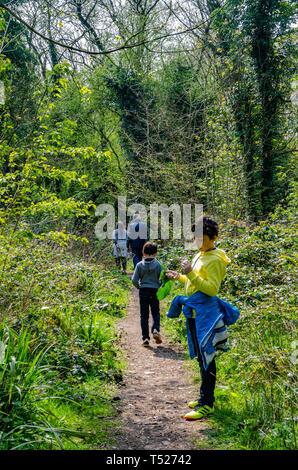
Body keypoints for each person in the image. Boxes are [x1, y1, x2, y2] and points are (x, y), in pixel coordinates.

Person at [166, 215, 239, 420]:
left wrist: (189, 273)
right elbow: (195, 283)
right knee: (200, 356)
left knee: (207, 358)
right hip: (195, 314)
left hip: (205, 316)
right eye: (195, 238)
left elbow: (211, 289)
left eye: (201, 238)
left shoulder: (214, 259)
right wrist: (179, 276)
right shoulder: (201, 254)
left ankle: (207, 403)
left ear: (213, 237)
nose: (197, 242)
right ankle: (203, 397)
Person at [131, 241, 163, 347]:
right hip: (154, 291)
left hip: (143, 291)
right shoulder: (158, 265)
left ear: (143, 253)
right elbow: (163, 278)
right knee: (155, 313)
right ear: (156, 253)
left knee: (144, 315)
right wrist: (159, 285)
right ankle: (155, 329)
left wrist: (139, 287)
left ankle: (145, 338)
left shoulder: (139, 265)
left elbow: (134, 280)